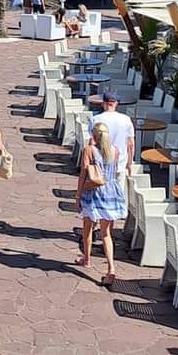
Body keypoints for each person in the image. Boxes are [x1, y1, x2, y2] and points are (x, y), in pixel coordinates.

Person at [76, 121, 126, 286]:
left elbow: (84, 174)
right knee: (106, 233)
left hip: (94, 191)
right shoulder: (115, 151)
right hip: (111, 191)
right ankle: (111, 268)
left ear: (94, 136)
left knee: (88, 227)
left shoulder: (89, 150)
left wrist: (78, 194)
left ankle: (87, 258)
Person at [97, 92, 135, 192]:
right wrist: (130, 163)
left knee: (102, 192)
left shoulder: (95, 119)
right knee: (119, 192)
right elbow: (131, 144)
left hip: (101, 162)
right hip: (120, 162)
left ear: (103, 103)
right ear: (116, 104)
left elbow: (92, 143)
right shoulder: (126, 119)